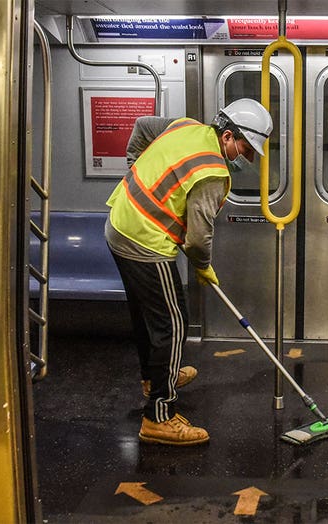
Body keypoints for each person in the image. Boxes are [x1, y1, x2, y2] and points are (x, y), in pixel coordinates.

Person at [104, 98, 273, 445]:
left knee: (146, 314)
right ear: (227, 136)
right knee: (174, 322)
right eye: (244, 146)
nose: (245, 156)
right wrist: (203, 267)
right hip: (145, 241)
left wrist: (134, 170)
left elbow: (140, 126)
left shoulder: (185, 125)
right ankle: (159, 416)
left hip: (120, 223)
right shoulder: (213, 172)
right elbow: (197, 239)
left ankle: (156, 378)